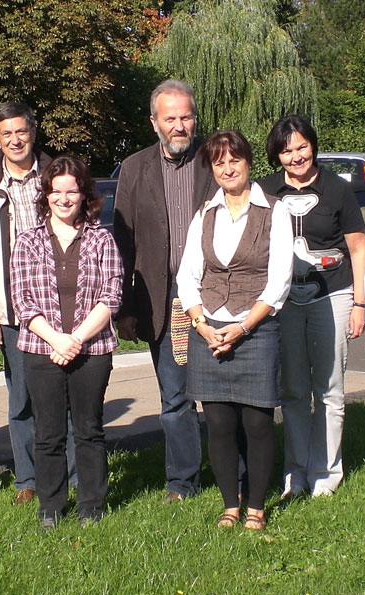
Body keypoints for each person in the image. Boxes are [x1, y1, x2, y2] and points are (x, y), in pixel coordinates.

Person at [176, 130, 292, 530]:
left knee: (257, 423)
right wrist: (201, 323)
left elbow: (280, 281)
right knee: (220, 423)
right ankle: (230, 504)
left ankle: (257, 507)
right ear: (213, 168)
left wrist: (242, 328)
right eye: (219, 162)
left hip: (255, 328)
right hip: (207, 328)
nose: (227, 168)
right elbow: (187, 277)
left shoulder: (274, 211)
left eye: (234, 160)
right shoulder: (204, 215)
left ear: (248, 163)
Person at [113, 79, 218, 502]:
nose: (179, 126)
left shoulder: (217, 159)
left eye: (185, 117)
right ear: (154, 122)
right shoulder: (135, 168)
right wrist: (125, 305)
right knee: (174, 396)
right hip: (161, 296)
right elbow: (123, 241)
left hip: (214, 294)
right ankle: (183, 483)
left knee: (221, 394)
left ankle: (238, 474)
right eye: (169, 118)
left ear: (196, 117)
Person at [0, 102, 76, 504]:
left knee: (65, 394)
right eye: (6, 133)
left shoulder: (56, 176)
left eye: (21, 132)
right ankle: (28, 480)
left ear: (33, 132)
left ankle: (73, 473)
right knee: (22, 398)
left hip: (61, 308)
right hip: (11, 311)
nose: (15, 140)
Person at [258, 116, 365, 499]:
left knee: (329, 389)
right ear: (277, 155)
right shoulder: (266, 191)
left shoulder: (337, 189)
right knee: (292, 390)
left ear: (313, 146)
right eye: (287, 150)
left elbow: (357, 248)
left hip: (333, 295)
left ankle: (326, 474)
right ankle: (296, 474)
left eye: (302, 146)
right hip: (284, 299)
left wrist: (360, 303)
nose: (295, 156)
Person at [9, 155, 122, 528]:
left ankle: (92, 505)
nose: (63, 198)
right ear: (46, 195)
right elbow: (22, 300)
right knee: (49, 433)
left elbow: (112, 295)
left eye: (71, 190)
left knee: (89, 430)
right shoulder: (27, 242)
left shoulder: (101, 239)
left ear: (84, 194)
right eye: (56, 190)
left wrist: (75, 338)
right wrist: (57, 339)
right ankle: (51, 507)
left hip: (92, 349)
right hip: (42, 349)